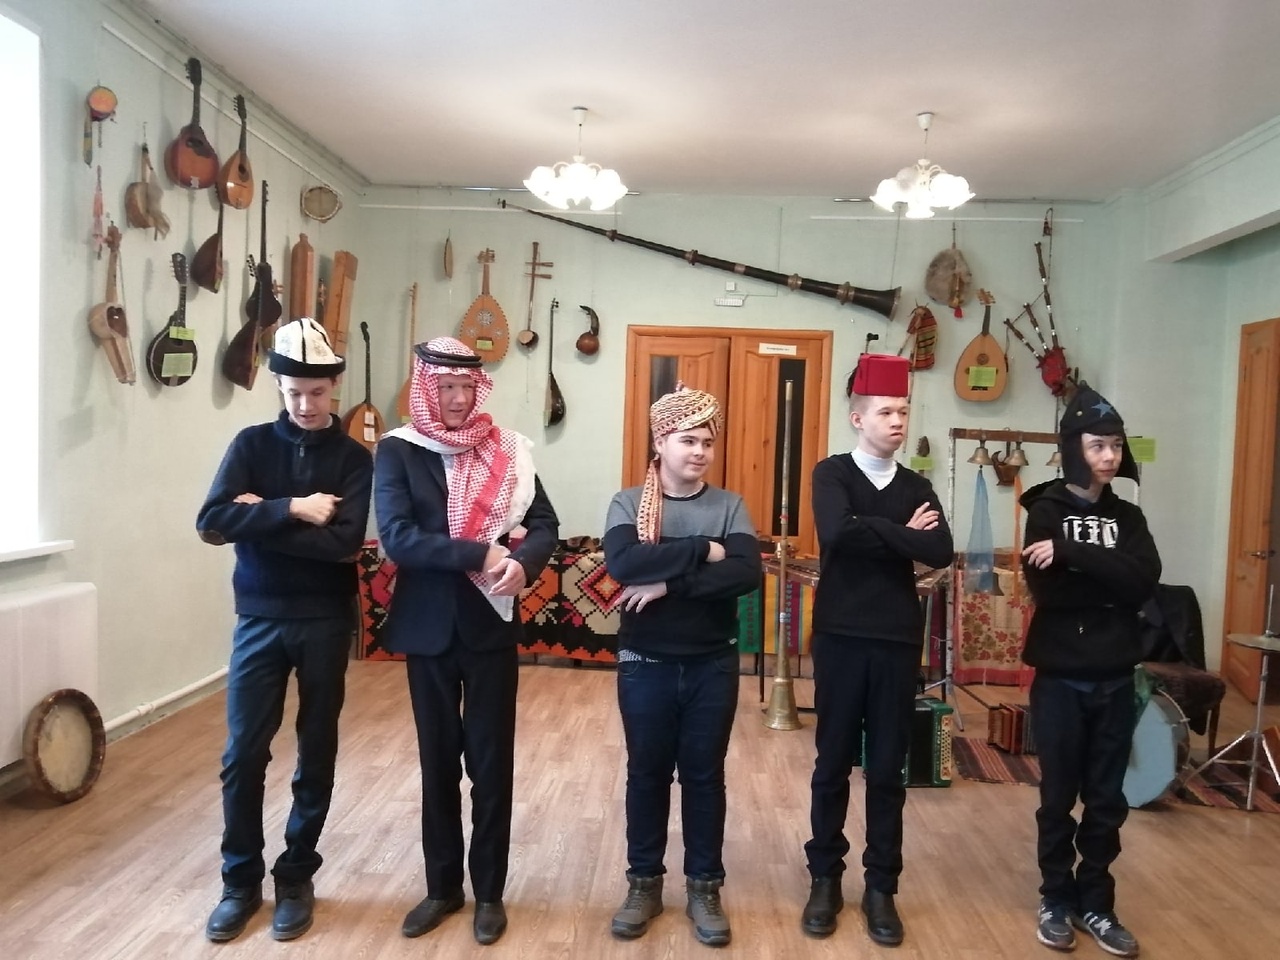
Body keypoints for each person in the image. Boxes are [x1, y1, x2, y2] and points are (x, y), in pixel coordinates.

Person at [375, 337, 558, 946]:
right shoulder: (399, 450)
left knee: (491, 764)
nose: (457, 399)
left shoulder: (507, 448)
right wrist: (481, 553)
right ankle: (442, 889)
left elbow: (544, 523)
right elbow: (399, 538)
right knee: (437, 765)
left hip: (490, 624)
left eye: (466, 387)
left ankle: (490, 894)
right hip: (428, 629)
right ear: (426, 388)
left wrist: (525, 563)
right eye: (446, 388)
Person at [196, 317, 373, 942]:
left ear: (333, 388)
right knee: (243, 754)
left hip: (325, 620)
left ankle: (296, 875)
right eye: (294, 392)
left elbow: (344, 545)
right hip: (259, 619)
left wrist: (255, 520)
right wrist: (293, 508)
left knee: (315, 749)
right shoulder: (249, 445)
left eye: (317, 392)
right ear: (278, 387)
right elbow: (210, 521)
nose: (305, 405)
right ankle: (239, 881)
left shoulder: (353, 459)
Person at [801, 353, 953, 947]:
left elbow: (939, 551)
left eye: (904, 412)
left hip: (896, 638)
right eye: (886, 412)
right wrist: (904, 534)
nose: (897, 422)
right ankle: (824, 878)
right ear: (858, 417)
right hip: (841, 634)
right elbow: (836, 532)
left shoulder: (917, 485)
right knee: (832, 763)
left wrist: (882, 531)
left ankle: (881, 887)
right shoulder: (832, 474)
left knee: (888, 769)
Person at [602, 386, 761, 947]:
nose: (699, 452)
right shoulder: (628, 504)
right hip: (645, 662)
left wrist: (668, 582)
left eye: (707, 443)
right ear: (660, 442)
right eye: (688, 440)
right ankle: (643, 884)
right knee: (647, 774)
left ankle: (704, 887)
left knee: (703, 776)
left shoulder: (730, 506)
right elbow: (624, 563)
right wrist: (702, 550)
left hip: (711, 664)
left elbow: (746, 573)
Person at [1021, 384, 1160, 958]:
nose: (1109, 456)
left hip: (1115, 676)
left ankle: (1096, 902)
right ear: (1074, 448)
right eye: (1098, 445)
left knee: (1106, 799)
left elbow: (1143, 581)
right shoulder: (1045, 511)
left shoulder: (1129, 515)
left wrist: (1075, 554)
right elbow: (1049, 594)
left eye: (1116, 445)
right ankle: (1056, 897)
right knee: (1058, 796)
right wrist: (1109, 579)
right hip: (1060, 678)